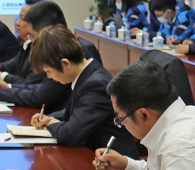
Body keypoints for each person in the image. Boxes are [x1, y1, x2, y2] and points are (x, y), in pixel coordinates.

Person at [95, 61, 195, 170]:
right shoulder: (175, 120)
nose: (121, 124)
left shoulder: (179, 142)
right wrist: (127, 166)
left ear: (143, 115)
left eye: (120, 118)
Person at [28, 25, 137, 157]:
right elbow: (78, 110)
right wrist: (50, 118)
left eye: (48, 71)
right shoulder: (87, 75)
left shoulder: (96, 85)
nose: (48, 77)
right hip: (94, 154)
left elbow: (71, 135)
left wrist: (50, 124)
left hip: (113, 162)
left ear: (65, 64)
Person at [0, 0, 101, 113]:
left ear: (47, 32)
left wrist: (2, 93)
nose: (31, 41)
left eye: (32, 36)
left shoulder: (64, 53)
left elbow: (42, 96)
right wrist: (9, 87)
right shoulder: (67, 46)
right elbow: (43, 88)